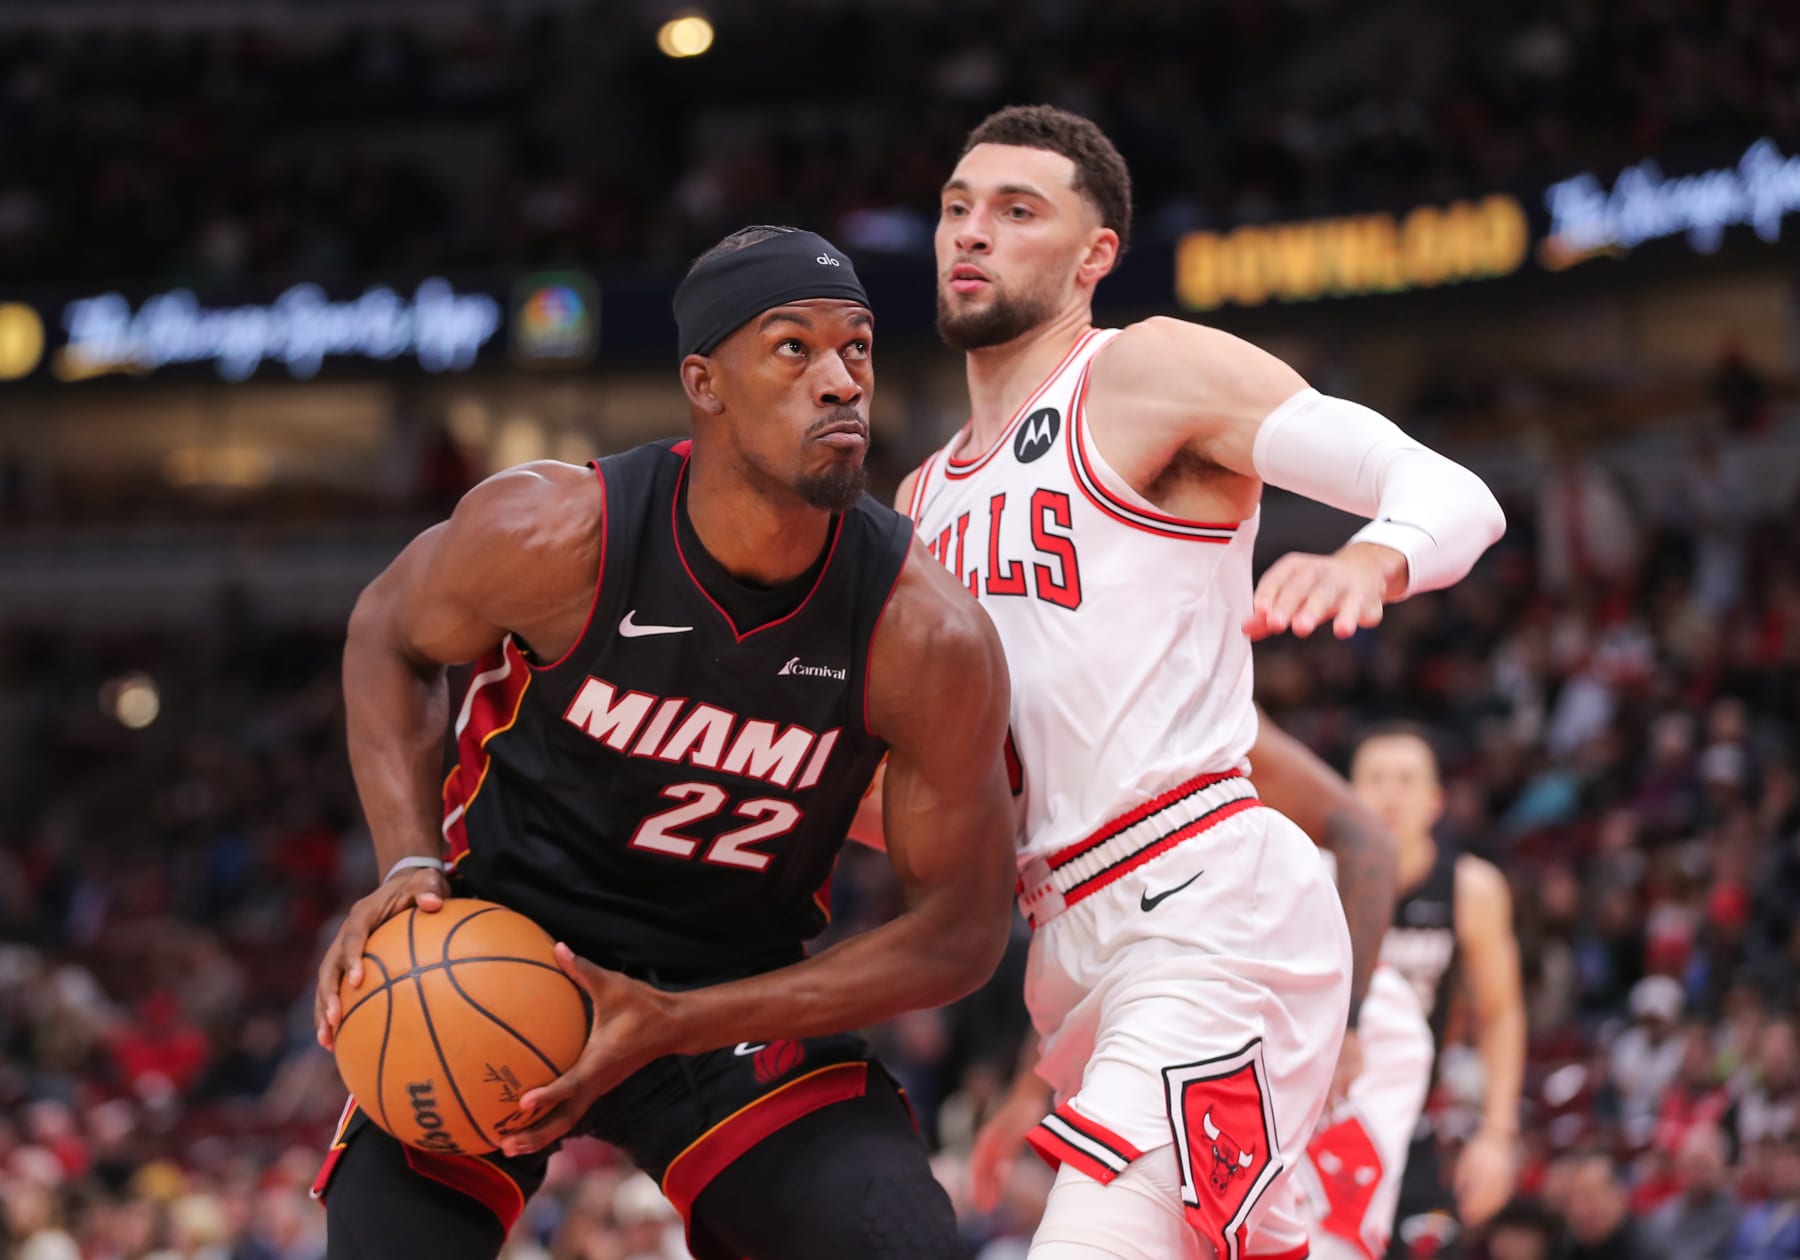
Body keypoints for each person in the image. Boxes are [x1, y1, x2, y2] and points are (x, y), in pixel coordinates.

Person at [310, 225, 1019, 1260]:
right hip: (492, 951)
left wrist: (682, 1019)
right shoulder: (555, 535)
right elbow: (387, 631)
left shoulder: (924, 635)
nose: (840, 382)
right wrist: (409, 862)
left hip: (727, 994)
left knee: (895, 1242)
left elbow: (961, 931)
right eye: (793, 348)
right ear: (704, 383)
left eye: (857, 349)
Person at [888, 104, 1503, 1259]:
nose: (972, 232)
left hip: (1209, 910)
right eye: (957, 207)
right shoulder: (920, 504)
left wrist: (1370, 560)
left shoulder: (1142, 372)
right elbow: (940, 802)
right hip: (1068, 950)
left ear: (1094, 255)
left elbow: (1451, 493)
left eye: (1017, 211)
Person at [1346, 724, 1526, 1257]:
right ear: (1346, 796)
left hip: (1411, 1120)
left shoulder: (1471, 888)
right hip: (1321, 1116)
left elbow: (1500, 1013)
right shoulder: (1316, 877)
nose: (1390, 795)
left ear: (1435, 801)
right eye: (1375, 779)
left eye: (1406, 780)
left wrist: (1497, 1135)